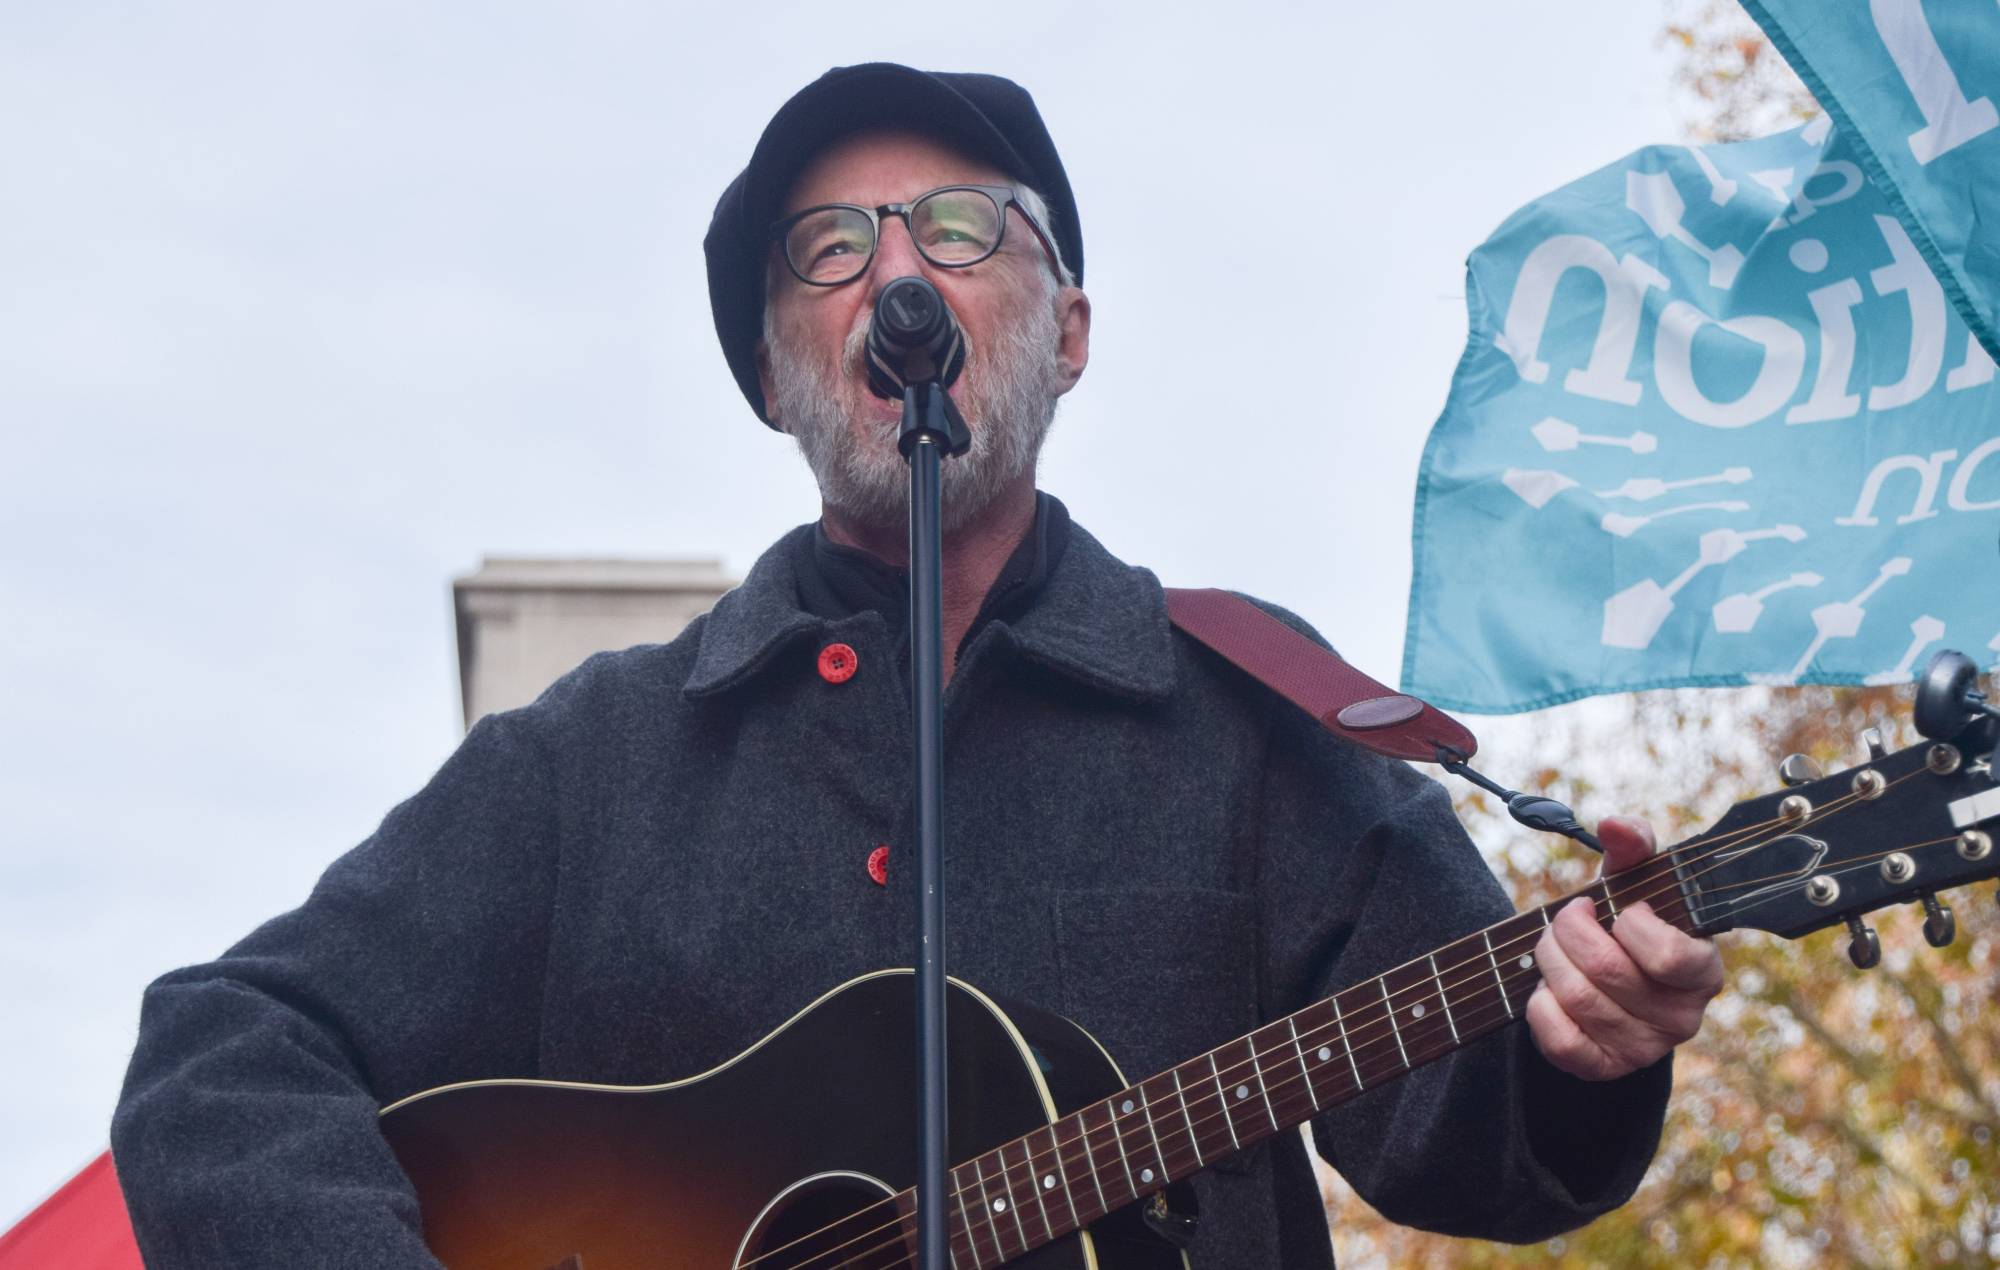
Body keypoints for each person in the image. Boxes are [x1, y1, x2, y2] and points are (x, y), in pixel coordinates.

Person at [112, 63, 1723, 1268]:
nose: (895, 275)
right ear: (773, 367)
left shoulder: (1248, 720)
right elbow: (223, 1051)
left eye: (957, 228)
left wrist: (1584, 1048)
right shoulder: (597, 759)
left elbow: (1477, 1152)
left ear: (1067, 329)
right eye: (829, 249)